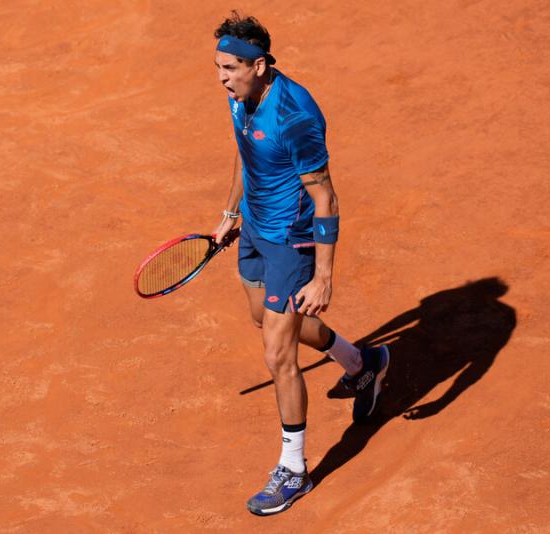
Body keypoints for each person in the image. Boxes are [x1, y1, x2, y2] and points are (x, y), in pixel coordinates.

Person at [211, 12, 390, 516]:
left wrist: (323, 276)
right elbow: (245, 155)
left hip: (292, 239)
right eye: (219, 67)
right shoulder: (239, 96)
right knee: (263, 320)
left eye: (231, 68)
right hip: (253, 228)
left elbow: (327, 197)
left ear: (261, 65)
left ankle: (294, 469)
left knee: (277, 354)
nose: (223, 77)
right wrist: (230, 212)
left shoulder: (296, 116)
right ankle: (364, 363)